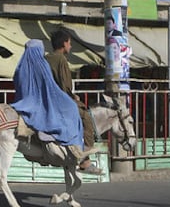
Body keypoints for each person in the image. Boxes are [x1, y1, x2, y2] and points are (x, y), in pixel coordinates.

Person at [10, 39, 92, 160]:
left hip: (23, 103)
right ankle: (79, 152)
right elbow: (50, 88)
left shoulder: (20, 68)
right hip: (41, 103)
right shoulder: (42, 65)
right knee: (73, 109)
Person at [45, 30, 103, 175]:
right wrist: (74, 97)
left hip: (49, 99)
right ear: (64, 44)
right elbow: (66, 86)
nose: (70, 46)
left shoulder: (46, 58)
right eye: (70, 43)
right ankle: (86, 159)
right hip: (60, 100)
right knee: (87, 117)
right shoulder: (61, 60)